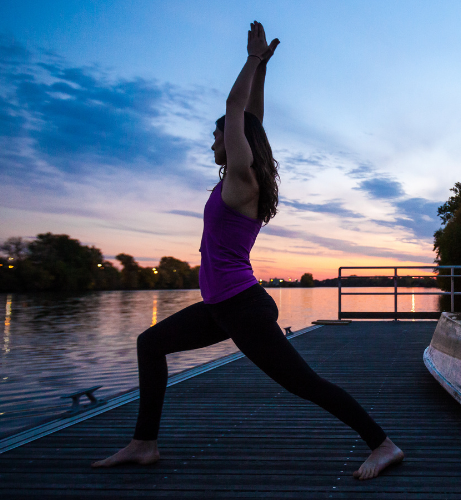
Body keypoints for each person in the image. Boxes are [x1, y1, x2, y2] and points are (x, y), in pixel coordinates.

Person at [92, 21, 404, 481]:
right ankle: (144, 443)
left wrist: (254, 59)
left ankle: (383, 444)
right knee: (150, 344)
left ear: (235, 145)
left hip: (242, 309)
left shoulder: (242, 181)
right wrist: (263, 72)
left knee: (305, 384)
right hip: (221, 307)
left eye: (218, 137)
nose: (214, 142)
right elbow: (250, 119)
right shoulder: (238, 178)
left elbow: (235, 109)